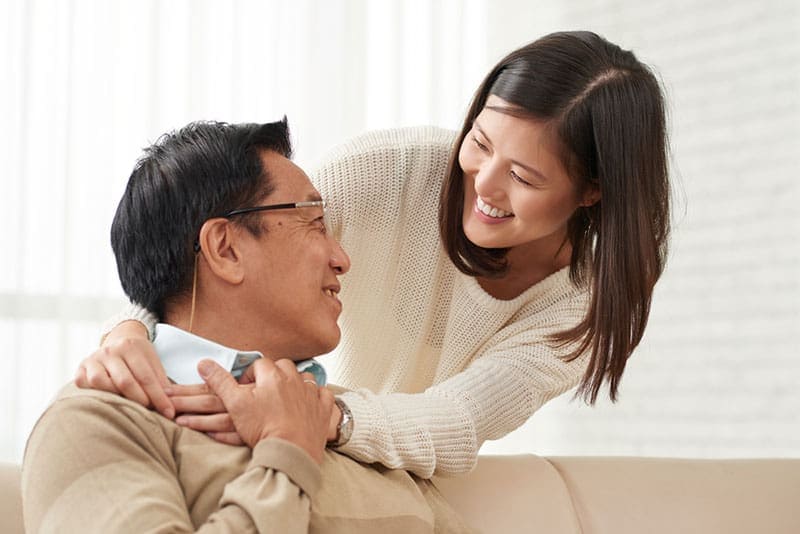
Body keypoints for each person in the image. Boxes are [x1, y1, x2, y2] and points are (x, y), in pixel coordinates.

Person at [77, 31, 671, 477]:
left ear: (593, 191)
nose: (483, 185)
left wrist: (320, 417)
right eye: (481, 144)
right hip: (297, 431)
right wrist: (127, 334)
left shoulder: (584, 304)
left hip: (363, 450)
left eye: (522, 175)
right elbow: (210, 247)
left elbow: (461, 417)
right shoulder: (390, 172)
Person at [22, 120, 471, 533]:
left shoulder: (349, 421)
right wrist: (288, 452)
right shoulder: (96, 420)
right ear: (225, 248)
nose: (342, 258)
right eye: (315, 224)